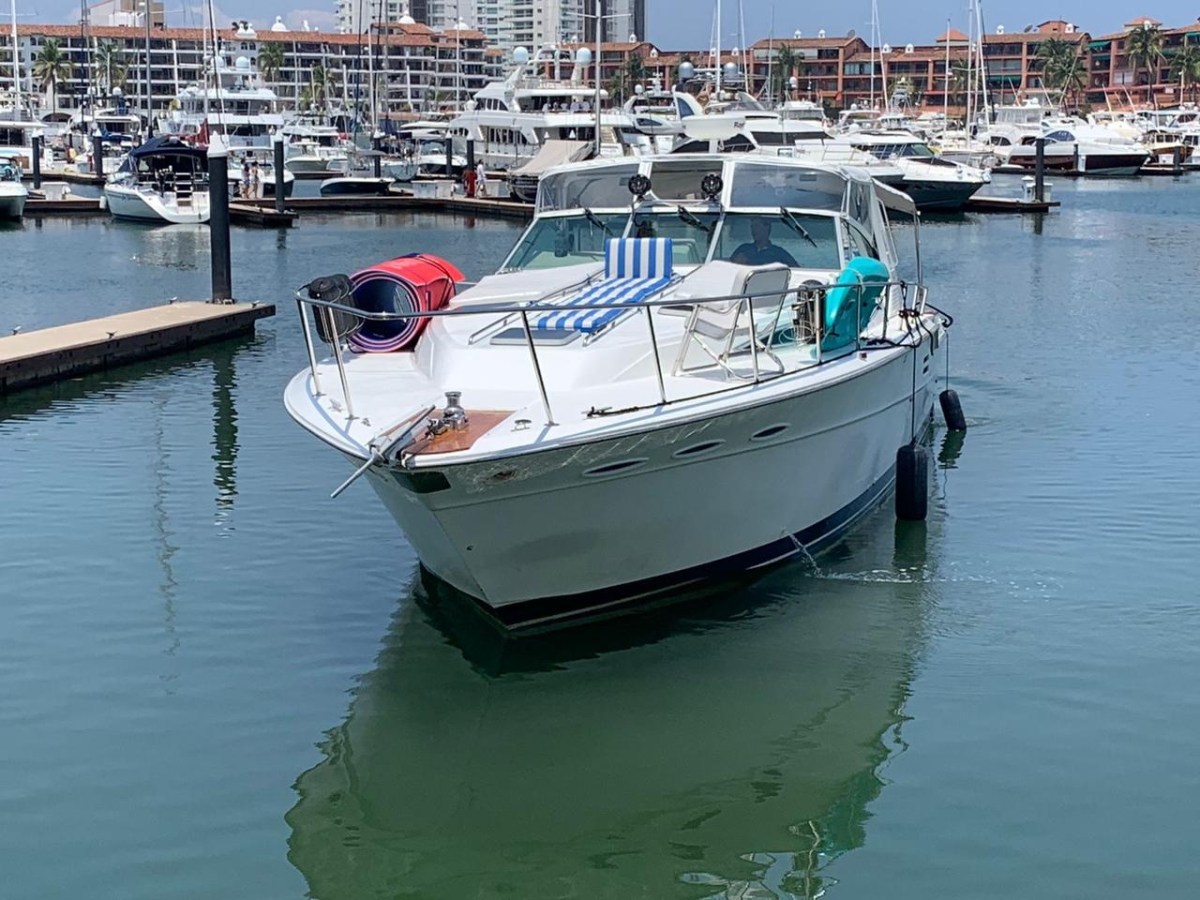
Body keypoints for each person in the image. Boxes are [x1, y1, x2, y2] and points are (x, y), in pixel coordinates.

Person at [730, 218, 799, 266]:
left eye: (757, 226)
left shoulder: (779, 253)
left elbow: (795, 269)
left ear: (767, 228)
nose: (754, 230)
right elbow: (729, 267)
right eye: (752, 227)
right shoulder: (743, 249)